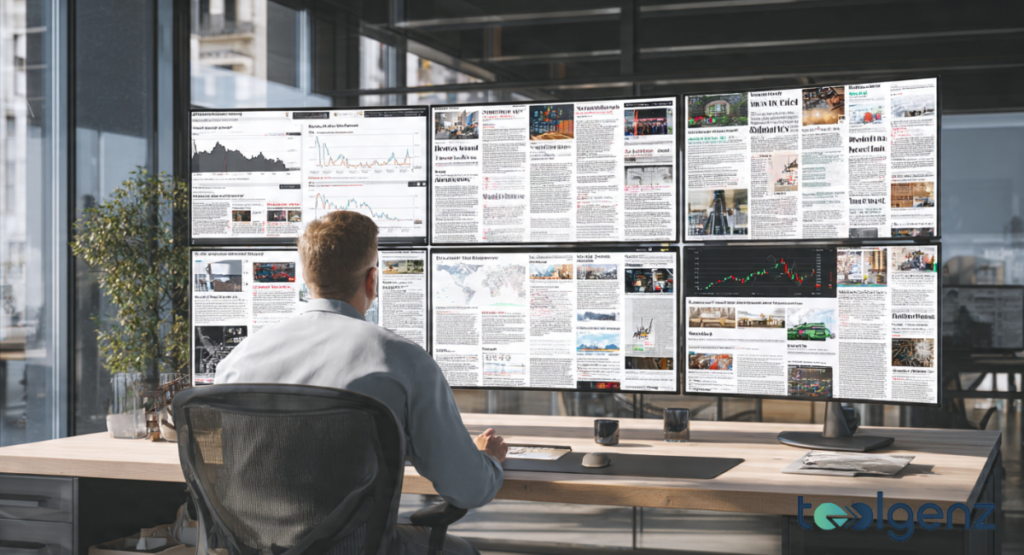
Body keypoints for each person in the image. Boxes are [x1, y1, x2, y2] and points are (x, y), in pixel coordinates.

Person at [215, 211, 507, 555]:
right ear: (372, 281)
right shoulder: (403, 361)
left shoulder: (238, 360)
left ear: (307, 280)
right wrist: (486, 460)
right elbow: (468, 489)